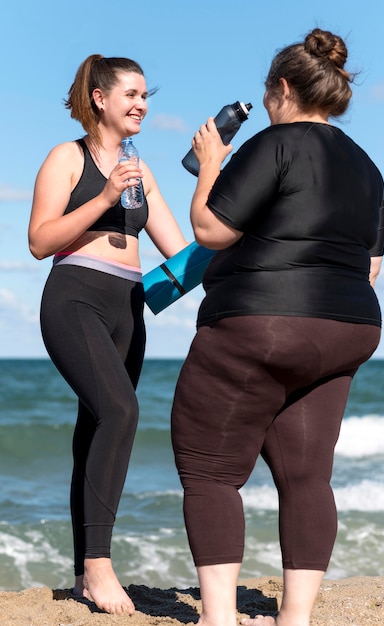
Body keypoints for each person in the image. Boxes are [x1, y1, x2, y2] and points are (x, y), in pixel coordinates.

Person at [171, 28, 384, 626]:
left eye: (269, 95)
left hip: (259, 322)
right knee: (308, 476)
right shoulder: (368, 168)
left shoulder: (275, 142)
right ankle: (296, 619)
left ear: (283, 89)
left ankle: (218, 617)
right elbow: (369, 268)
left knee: (210, 468)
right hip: (347, 328)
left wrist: (210, 166)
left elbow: (212, 231)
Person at [28, 55, 187, 615]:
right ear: (100, 98)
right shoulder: (65, 157)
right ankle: (99, 566)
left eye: (147, 96)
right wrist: (101, 197)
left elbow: (181, 253)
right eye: (132, 94)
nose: (143, 104)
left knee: (95, 427)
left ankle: (80, 571)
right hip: (74, 297)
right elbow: (40, 241)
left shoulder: (142, 170)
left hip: (129, 306)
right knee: (121, 414)